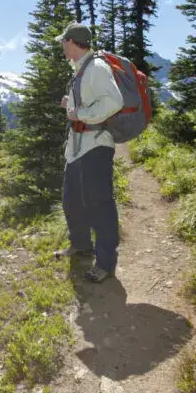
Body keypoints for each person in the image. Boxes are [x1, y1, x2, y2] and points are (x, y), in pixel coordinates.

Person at [55, 22, 124, 283]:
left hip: (95, 145)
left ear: (72, 41)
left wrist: (79, 113)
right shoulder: (81, 69)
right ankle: (81, 245)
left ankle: (105, 262)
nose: (62, 45)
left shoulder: (96, 68)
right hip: (78, 147)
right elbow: (88, 101)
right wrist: (69, 104)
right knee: (72, 199)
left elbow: (113, 101)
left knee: (99, 204)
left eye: (64, 41)